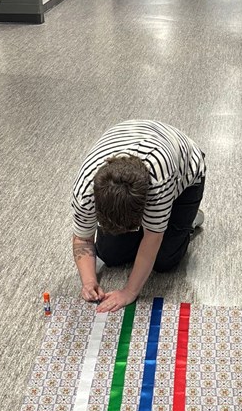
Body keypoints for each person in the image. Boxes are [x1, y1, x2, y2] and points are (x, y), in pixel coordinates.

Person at [70, 120, 207, 314]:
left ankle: (187, 220)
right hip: (134, 141)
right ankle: (156, 223)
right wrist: (88, 281)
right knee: (109, 254)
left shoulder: (158, 183)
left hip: (185, 173)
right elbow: (83, 238)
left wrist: (129, 292)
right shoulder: (85, 191)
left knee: (165, 261)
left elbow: (153, 237)